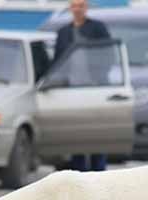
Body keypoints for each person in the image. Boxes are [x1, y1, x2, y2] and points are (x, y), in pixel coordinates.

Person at [53, 0, 110, 172]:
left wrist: (99, 77)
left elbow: (108, 54)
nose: (77, 9)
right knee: (76, 135)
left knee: (97, 133)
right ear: (70, 8)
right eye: (74, 5)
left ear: (86, 8)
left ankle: (99, 171)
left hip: (95, 88)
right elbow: (58, 62)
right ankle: (78, 172)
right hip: (72, 90)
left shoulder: (98, 29)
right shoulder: (64, 32)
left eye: (81, 5)